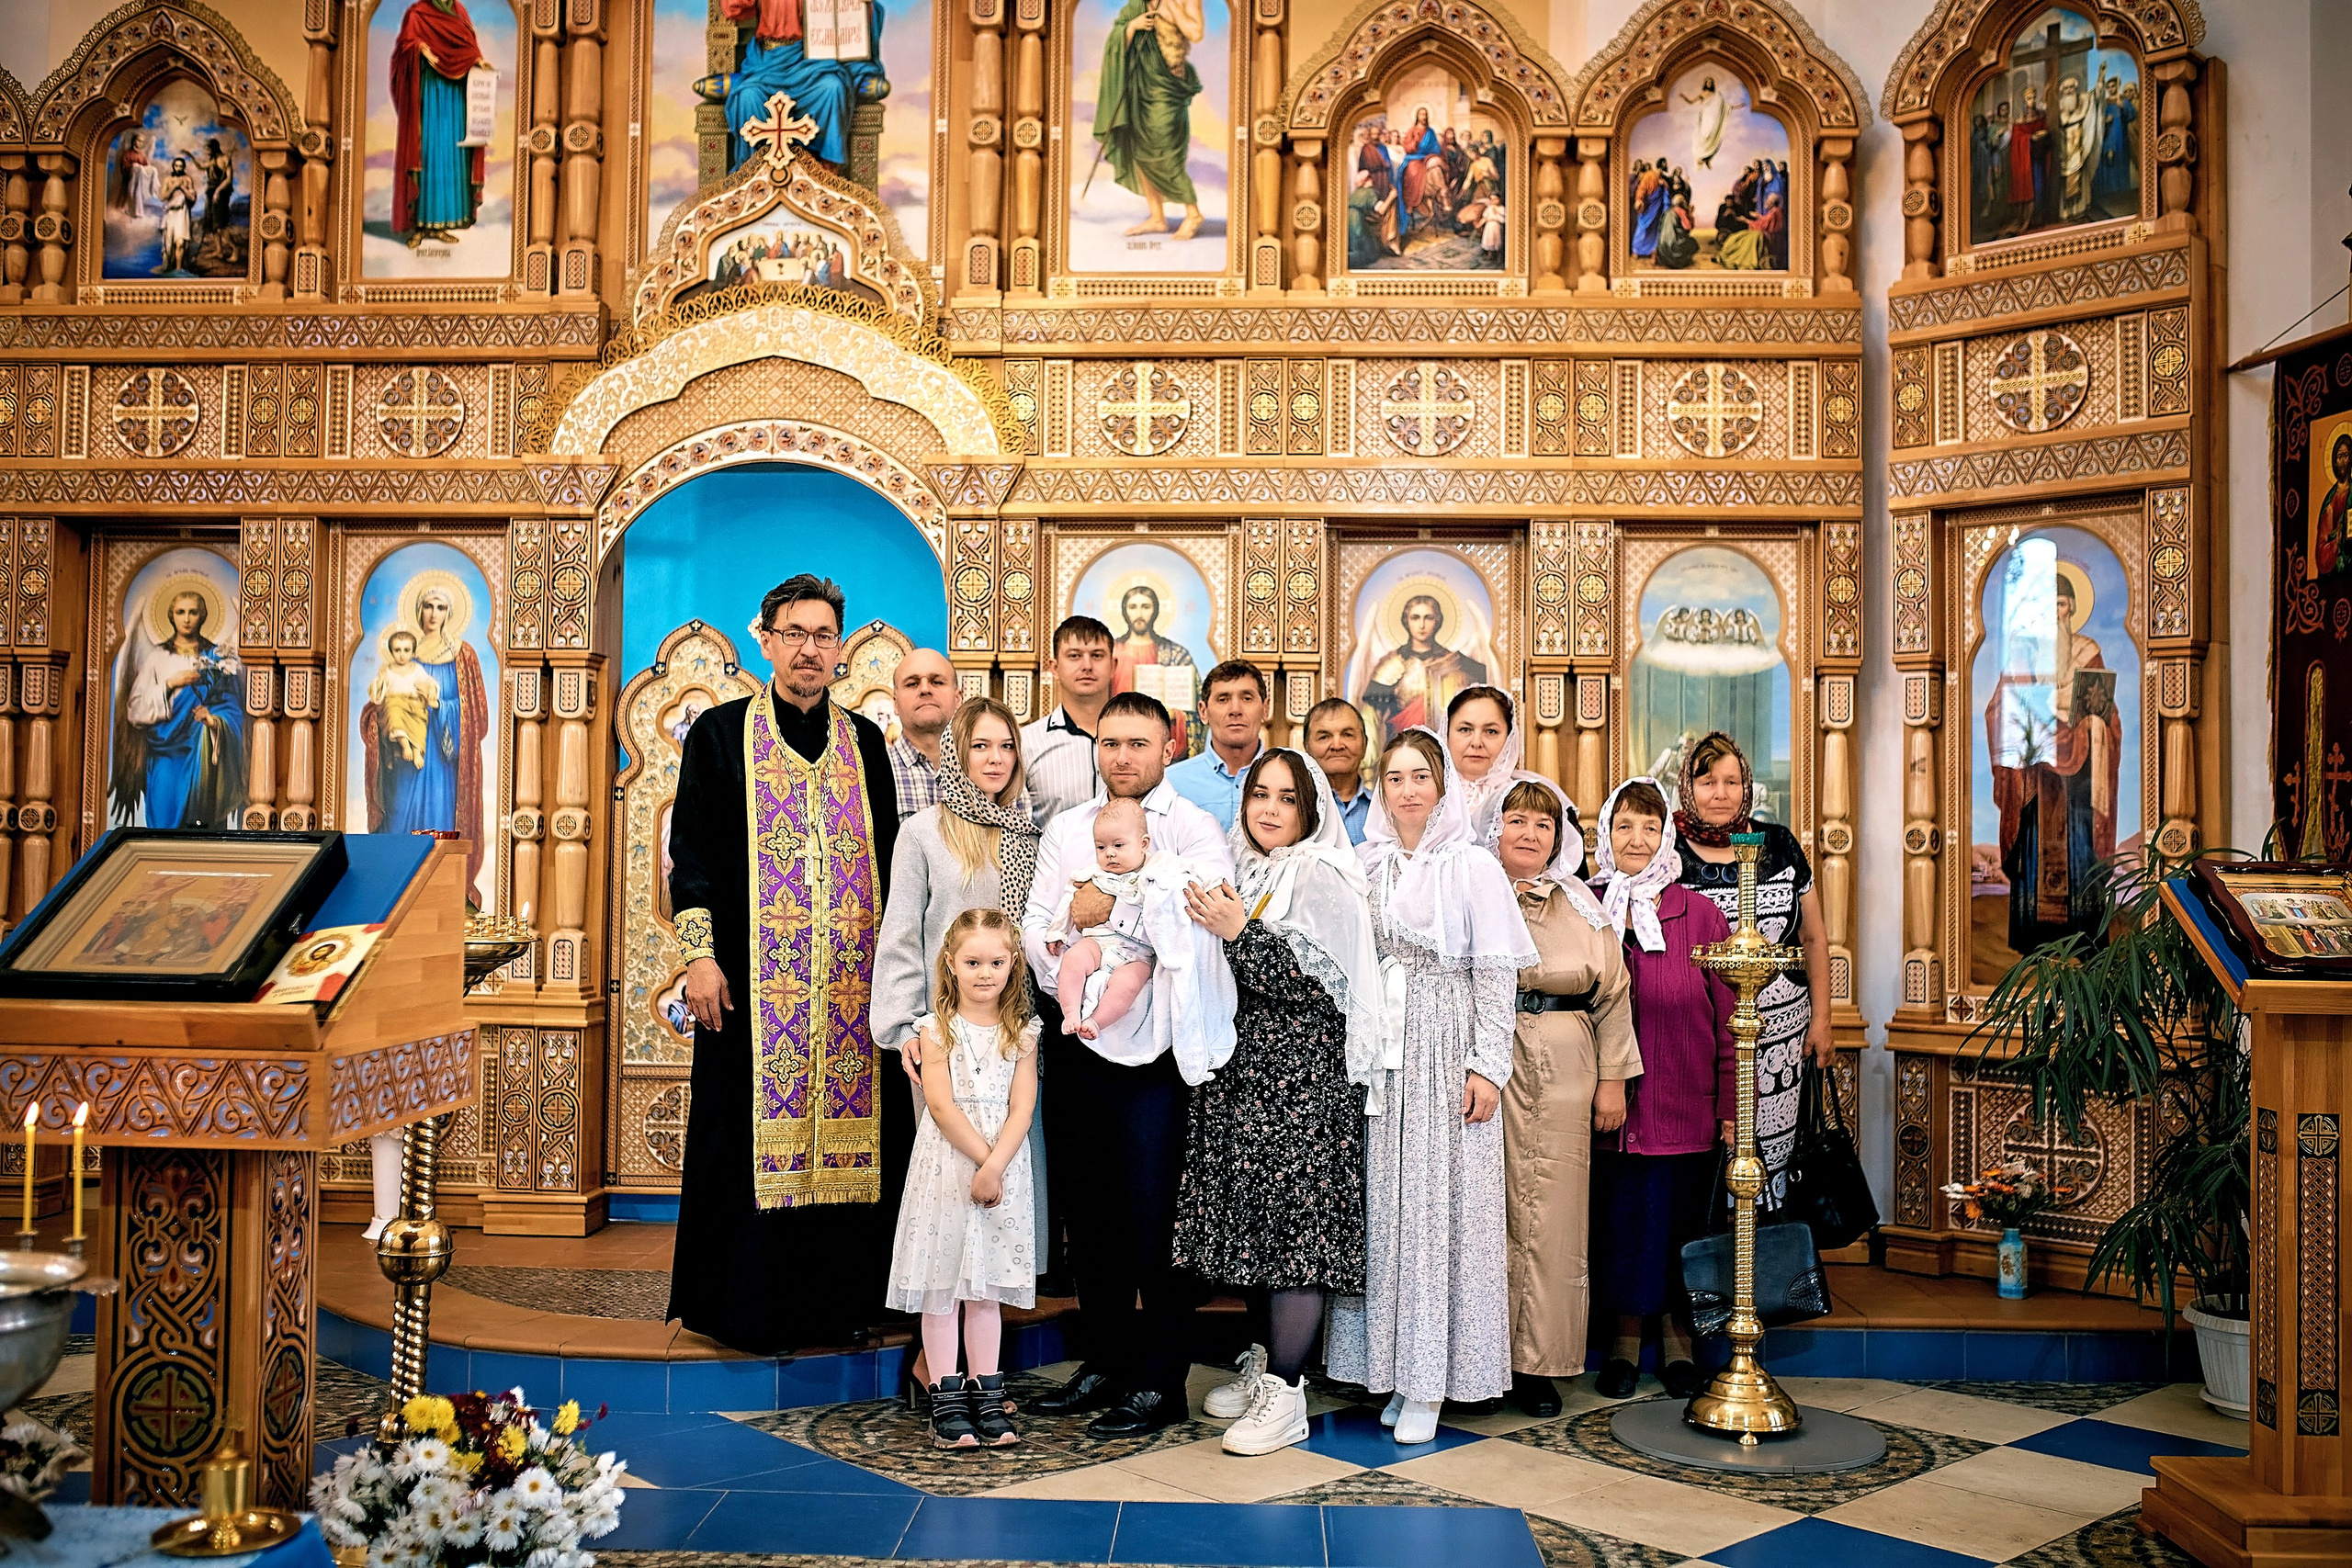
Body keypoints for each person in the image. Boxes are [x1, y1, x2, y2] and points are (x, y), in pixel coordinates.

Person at [665, 575, 908, 1355]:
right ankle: (750, 1311)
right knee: (744, 1138)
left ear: (841, 649)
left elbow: (892, 863)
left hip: (852, 992)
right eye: (794, 633)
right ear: (765, 640)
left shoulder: (866, 741)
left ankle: (845, 1304)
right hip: (748, 988)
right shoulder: (719, 733)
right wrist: (700, 958)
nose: (809, 649)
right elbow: (690, 855)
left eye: (823, 635)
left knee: (855, 1145)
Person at [1022, 692, 1234, 1437]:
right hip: (1081, 1042)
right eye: (1110, 742)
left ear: (1169, 747)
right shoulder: (1069, 827)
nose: (1122, 756)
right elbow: (1038, 928)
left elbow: (1208, 921)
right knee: (1090, 1212)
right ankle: (1105, 1360)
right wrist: (1080, 972)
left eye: (1138, 743)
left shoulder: (1195, 827)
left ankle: (1162, 1379)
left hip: (1160, 1054)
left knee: (1155, 1217)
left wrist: (1106, 910)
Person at [1327, 729, 1534, 1446]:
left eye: (1421, 775)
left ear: (1442, 787)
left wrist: (1488, 1066)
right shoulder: (1369, 863)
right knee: (1390, 1207)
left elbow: (1496, 973)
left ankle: (1432, 1380)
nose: (1408, 789)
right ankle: (1393, 1366)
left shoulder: (1471, 866)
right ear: (1381, 788)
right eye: (1395, 777)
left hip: (1448, 1046)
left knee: (1442, 1210)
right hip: (1385, 1050)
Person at [1175, 749, 1379, 1456]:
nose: (1269, 808)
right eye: (1259, 794)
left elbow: (1317, 983)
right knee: (1260, 1231)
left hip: (1303, 1084)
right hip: (1249, 1078)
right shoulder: (1249, 868)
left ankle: (1288, 1393)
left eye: (1287, 798)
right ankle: (1266, 1364)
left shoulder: (1321, 874)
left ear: (1310, 811)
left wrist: (1238, 933)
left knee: (1296, 1236)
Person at [872, 697, 1047, 1290]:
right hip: (944, 1036)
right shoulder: (923, 832)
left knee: (1003, 1167)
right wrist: (904, 1027)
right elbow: (900, 935)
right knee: (946, 1181)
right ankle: (937, 1327)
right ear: (955, 753)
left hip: (1009, 1032)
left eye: (1006, 746)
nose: (995, 759)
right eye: (981, 745)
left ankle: (987, 1317)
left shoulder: (1027, 834)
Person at [1488, 775, 1635, 1416]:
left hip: (1569, 1066)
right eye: (1517, 820)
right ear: (1494, 828)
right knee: (1488, 1212)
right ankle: (1482, 1360)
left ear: (1559, 838)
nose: (1529, 833)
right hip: (1489, 1064)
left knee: (1556, 1216)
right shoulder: (1469, 891)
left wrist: (1612, 1080)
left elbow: (1615, 994)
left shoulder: (1583, 906)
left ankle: (1537, 1366)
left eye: (1543, 825)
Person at [1589, 778, 1735, 1401]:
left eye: (1650, 826)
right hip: (1609, 1113)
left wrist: (1730, 1107)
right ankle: (1623, 1346)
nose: (1637, 838)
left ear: (1667, 836)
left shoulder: (1701, 915)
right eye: (1624, 825)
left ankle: (1679, 1345)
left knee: (1681, 1231)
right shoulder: (1587, 905)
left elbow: (1731, 1021)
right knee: (1620, 1231)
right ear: (1605, 833)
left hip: (1684, 1108)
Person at [886, 908, 1039, 1450]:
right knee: (943, 1288)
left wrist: (995, 1167)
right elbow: (941, 1106)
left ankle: (987, 1397)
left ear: (1013, 963)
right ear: (950, 964)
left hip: (1001, 1166)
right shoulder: (935, 1030)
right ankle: (946, 1401)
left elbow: (1023, 1108)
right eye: (972, 962)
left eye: (996, 962)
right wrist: (982, 1161)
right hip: (948, 1167)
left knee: (985, 1290)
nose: (984, 973)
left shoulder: (1023, 1033)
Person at [1673, 732, 1836, 1216]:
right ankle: (1711, 1260)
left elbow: (1814, 939)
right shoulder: (1668, 852)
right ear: (1688, 788)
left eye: (1732, 782)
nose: (1720, 794)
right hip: (1699, 1037)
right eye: (1707, 782)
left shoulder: (1779, 845)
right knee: (1706, 1162)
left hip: (1779, 1036)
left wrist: (1823, 1021)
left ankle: (1766, 1254)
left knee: (1772, 1160)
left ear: (1747, 786)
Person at [1986, 565, 2121, 951]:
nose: (2055, 613)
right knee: (2034, 847)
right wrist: (2027, 716)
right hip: (2036, 778)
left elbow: (2107, 716)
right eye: (2048, 606)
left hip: (2077, 781)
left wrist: (2093, 726)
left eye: (2061, 604)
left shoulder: (2087, 652)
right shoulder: (2025, 653)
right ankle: (2034, 938)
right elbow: (1999, 710)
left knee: (2079, 849)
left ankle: (2083, 937)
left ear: (2072, 608)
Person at [361, 583, 492, 891]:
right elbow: (378, 704)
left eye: (441, 607)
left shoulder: (463, 655)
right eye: (428, 606)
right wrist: (383, 716)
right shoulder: (404, 652)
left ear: (449, 613)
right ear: (419, 610)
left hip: (443, 760)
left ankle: (440, 894)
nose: (434, 614)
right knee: (399, 819)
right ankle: (393, 891)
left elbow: (476, 714)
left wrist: (439, 706)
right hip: (405, 760)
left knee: (440, 823)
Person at [110, 587, 246, 829]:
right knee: (163, 828)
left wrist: (213, 721)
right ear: (171, 616)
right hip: (165, 754)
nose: (186, 618)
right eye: (180, 612)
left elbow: (231, 707)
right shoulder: (157, 657)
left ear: (203, 616)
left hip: (202, 753)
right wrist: (170, 684)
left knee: (201, 829)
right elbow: (135, 710)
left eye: (193, 612)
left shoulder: (217, 658)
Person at [703, 0, 882, 172]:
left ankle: (826, 174)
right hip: (767, 62)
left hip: (811, 59)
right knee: (748, 96)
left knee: (832, 88)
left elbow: (853, 10)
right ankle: (753, 173)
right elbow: (733, 8)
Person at [1044, 799, 1160, 1040]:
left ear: (1143, 844)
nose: (1109, 853)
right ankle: (1071, 1012)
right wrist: (1057, 931)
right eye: (1101, 847)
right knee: (1073, 959)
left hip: (1137, 954)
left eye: (1118, 845)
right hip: (1097, 941)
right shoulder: (1091, 873)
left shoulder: (1156, 872)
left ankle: (1097, 1021)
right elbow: (1069, 899)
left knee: (1129, 984)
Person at [1094, 0, 1207, 242]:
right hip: (1141, 88)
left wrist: (1171, 7)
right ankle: (1157, 218)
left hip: (1168, 88)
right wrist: (1132, 27)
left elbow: (1196, 33)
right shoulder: (1137, 5)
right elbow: (1117, 39)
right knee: (1140, 150)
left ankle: (1193, 213)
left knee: (1165, 153)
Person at [389, 0, 488, 243]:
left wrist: (478, 61)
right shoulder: (417, 14)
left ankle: (444, 221)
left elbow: (468, 48)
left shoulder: (459, 12)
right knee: (430, 153)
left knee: (452, 154)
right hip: (429, 94)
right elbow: (403, 48)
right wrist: (418, 48)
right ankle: (421, 225)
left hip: (455, 97)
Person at [1024, 615, 1115, 824]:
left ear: (1113, 665)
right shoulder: (1027, 744)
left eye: (1097, 655)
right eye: (1074, 656)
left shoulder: (1137, 739)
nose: (1087, 665)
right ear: (1054, 667)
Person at [1361, 593, 1487, 743]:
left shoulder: (1457, 663)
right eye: (1415, 618)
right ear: (1406, 621)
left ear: (1437, 621)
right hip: (1403, 747)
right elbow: (1371, 718)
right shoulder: (1390, 664)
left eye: (1428, 618)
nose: (1421, 625)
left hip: (1445, 748)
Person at [1166, 660, 1268, 829]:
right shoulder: (1171, 784)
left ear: (1265, 708)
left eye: (1247, 698)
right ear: (1203, 712)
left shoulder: (1290, 780)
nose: (1235, 710)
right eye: (1223, 699)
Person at [1108, 586, 1199, 754]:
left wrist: (1172, 714)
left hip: (1161, 745)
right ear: (1124, 611)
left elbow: (1195, 710)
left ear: (1155, 610)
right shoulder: (1110, 653)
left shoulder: (1176, 654)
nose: (1139, 614)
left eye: (1146, 607)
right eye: (1133, 607)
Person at [887, 649, 961, 820]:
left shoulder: (990, 770)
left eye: (937, 682)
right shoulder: (872, 774)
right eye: (912, 684)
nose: (925, 689)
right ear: (895, 703)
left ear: (958, 698)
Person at [1444, 685, 1522, 839]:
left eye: (1491, 731)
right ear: (1446, 734)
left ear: (1509, 739)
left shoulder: (1524, 798)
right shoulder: (1424, 796)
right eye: (1465, 729)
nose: (1476, 742)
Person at [368, 629, 440, 769]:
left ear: (413, 652)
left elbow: (428, 681)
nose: (402, 655)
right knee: (394, 715)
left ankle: (417, 751)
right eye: (397, 650)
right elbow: (376, 689)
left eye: (406, 650)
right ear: (391, 652)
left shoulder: (417, 669)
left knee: (420, 723)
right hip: (394, 703)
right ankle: (405, 746)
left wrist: (431, 689)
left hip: (414, 705)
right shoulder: (387, 670)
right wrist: (380, 683)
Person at [1304, 697, 1373, 844]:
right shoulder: (1294, 808)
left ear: (1365, 744)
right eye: (1324, 737)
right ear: (1306, 747)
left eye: (1347, 735)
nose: (1337, 745)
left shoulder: (1386, 810)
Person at [157, 157, 198, 274]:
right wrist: (174, 187)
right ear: (173, 167)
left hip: (182, 213)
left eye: (181, 166)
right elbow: (162, 197)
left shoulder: (187, 180)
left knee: (180, 243)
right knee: (168, 246)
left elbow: (192, 198)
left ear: (183, 167)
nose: (178, 168)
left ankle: (179, 270)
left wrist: (182, 188)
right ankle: (168, 267)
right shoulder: (168, 180)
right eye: (176, 166)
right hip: (170, 214)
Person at [1683, 75, 1727, 169]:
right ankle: (1702, 156)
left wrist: (1735, 107)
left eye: (1710, 82)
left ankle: (1708, 159)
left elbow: (1724, 106)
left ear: (1712, 84)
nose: (1709, 84)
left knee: (1713, 136)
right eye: (1707, 82)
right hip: (1705, 117)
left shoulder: (1717, 95)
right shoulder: (1703, 94)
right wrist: (1684, 97)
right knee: (1703, 136)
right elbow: (1691, 102)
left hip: (1714, 118)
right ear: (1705, 84)